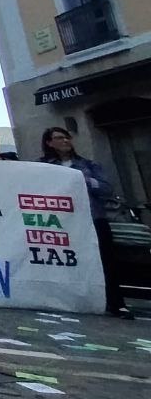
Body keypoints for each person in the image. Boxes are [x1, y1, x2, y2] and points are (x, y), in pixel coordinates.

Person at [40, 127, 128, 316]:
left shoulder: (88, 165)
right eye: (59, 138)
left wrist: (82, 180)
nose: (65, 141)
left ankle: (116, 303)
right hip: (61, 221)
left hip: (93, 218)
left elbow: (106, 189)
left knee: (106, 261)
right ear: (49, 143)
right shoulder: (44, 166)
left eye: (67, 137)